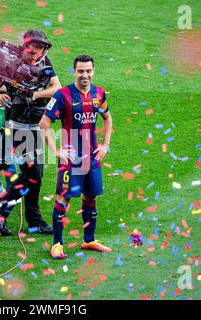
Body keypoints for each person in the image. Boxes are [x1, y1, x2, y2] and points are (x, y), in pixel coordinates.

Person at [0, 29, 62, 235]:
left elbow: (57, 88)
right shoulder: (11, 64)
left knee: (33, 174)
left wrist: (35, 95)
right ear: (24, 46)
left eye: (39, 48)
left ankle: (11, 214)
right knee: (32, 174)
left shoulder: (45, 63)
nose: (35, 52)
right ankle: (3, 211)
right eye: (32, 48)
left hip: (37, 125)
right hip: (18, 125)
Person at [39, 55, 113, 259]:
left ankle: (88, 240)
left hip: (92, 158)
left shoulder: (99, 93)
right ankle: (57, 244)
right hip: (71, 159)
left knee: (90, 196)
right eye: (80, 71)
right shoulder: (62, 95)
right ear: (74, 72)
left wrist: (105, 145)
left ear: (93, 71)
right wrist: (56, 151)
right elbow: (44, 125)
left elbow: (107, 118)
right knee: (64, 199)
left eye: (88, 71)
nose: (85, 75)